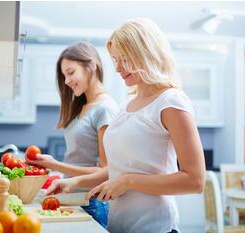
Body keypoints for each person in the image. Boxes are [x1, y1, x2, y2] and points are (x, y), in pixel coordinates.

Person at [46, 18, 206, 233]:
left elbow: (194, 181)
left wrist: (129, 182)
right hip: (118, 225)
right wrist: (75, 182)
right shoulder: (126, 105)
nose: (118, 68)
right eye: (115, 60)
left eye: (124, 59)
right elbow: (118, 168)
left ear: (146, 53)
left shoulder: (171, 102)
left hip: (154, 227)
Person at [26, 41, 119, 228]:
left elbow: (105, 171)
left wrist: (54, 164)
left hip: (92, 201)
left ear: (91, 65)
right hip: (75, 198)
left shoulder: (105, 109)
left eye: (70, 72)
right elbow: (78, 160)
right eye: (64, 75)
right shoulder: (83, 106)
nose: (67, 81)